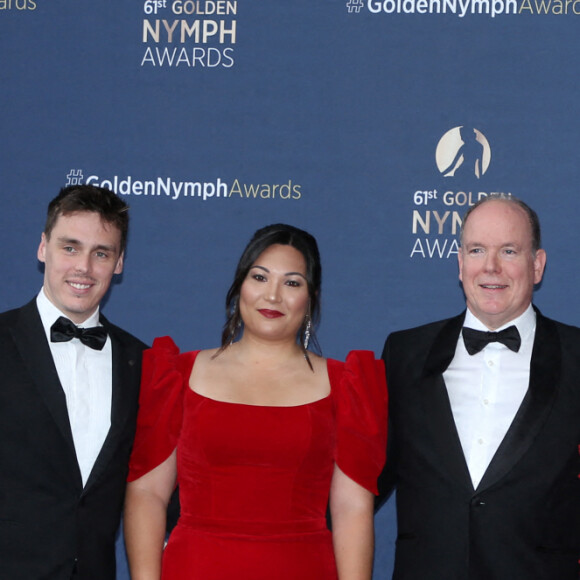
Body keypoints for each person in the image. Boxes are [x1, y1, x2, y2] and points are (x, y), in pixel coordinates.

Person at [124, 223, 387, 580]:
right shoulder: (177, 374)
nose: (273, 296)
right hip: (195, 567)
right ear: (240, 286)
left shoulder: (346, 385)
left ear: (311, 298)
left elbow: (352, 509)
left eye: (292, 282)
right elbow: (147, 494)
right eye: (260, 277)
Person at [376, 195, 580, 579]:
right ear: (459, 263)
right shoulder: (404, 354)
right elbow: (363, 481)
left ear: (537, 265)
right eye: (476, 250)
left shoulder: (577, 356)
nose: (491, 267)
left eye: (508, 250)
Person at [0, 185, 147, 579]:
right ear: (42, 247)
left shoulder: (142, 362)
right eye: (70, 247)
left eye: (101, 253)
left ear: (119, 263)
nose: (83, 267)